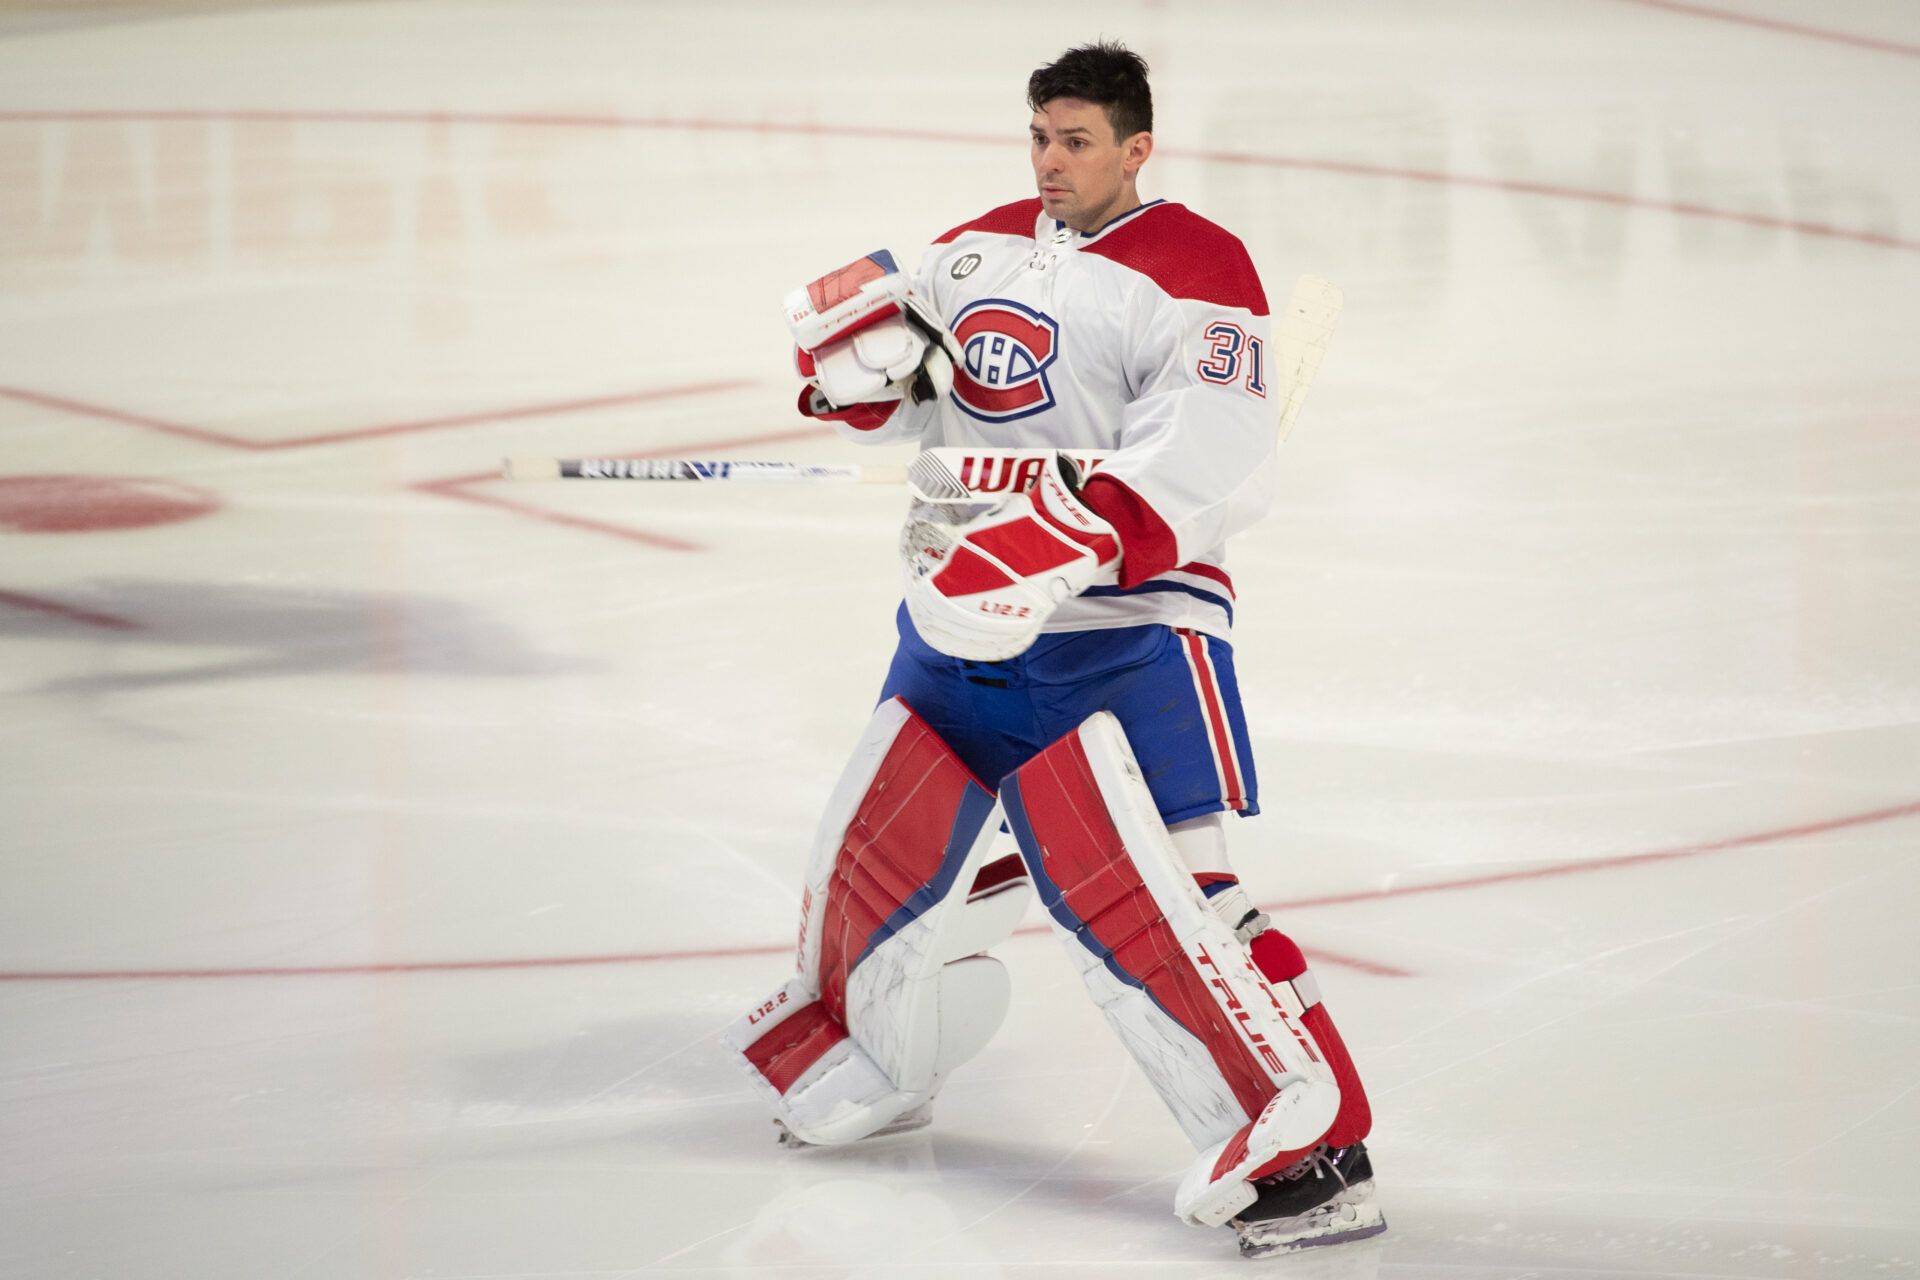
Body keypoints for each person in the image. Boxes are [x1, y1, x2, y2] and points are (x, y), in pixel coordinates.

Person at [728, 42, 1382, 1258]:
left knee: (1172, 900)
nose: (1049, 162)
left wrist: (1085, 525)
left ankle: (1313, 1152)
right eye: (1038, 136)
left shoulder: (1196, 267)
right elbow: (941, 392)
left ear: (1138, 148)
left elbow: (1218, 446)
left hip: (1121, 631)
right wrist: (872, 387)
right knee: (880, 847)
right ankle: (874, 1051)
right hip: (965, 615)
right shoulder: (974, 243)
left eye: (1075, 141)